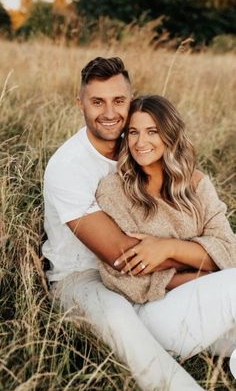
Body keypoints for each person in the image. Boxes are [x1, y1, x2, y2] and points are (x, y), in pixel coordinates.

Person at [42, 57, 231, 391]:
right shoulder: (69, 167)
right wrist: (207, 262)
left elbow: (168, 250)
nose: (110, 113)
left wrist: (171, 250)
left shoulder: (137, 149)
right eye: (97, 102)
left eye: (119, 101)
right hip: (82, 276)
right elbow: (124, 257)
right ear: (80, 104)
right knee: (117, 316)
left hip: (159, 282)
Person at [96, 95, 236, 308]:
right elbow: (121, 272)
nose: (140, 143)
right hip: (154, 304)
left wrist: (168, 248)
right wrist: (200, 275)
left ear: (169, 135)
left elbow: (229, 250)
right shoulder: (113, 190)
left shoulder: (196, 182)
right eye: (133, 132)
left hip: (216, 291)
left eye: (152, 131)